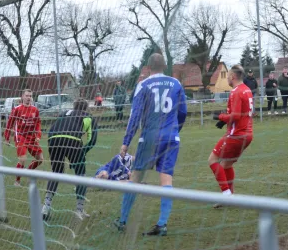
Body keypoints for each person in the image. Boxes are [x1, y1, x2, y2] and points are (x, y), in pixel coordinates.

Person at [115, 53, 187, 236]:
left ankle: (122, 220)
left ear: (147, 68)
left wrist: (126, 142)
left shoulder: (143, 85)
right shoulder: (176, 83)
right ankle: (162, 224)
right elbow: (183, 112)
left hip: (149, 139)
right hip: (171, 138)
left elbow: (135, 116)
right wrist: (175, 130)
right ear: (165, 66)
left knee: (135, 178)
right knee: (166, 180)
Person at [42, 99, 98, 221]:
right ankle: (79, 210)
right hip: (72, 140)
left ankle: (46, 207)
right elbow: (92, 140)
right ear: (86, 108)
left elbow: (55, 127)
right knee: (80, 175)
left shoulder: (64, 113)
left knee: (56, 173)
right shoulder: (88, 117)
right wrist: (81, 153)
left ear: (74, 106)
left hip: (53, 138)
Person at [209, 64, 253, 208]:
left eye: (227, 76)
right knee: (226, 164)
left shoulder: (235, 91)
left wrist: (220, 117)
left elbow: (235, 116)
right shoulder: (247, 90)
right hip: (247, 134)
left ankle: (227, 195)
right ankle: (230, 196)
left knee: (212, 160)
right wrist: (224, 121)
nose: (227, 78)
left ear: (233, 77)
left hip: (236, 135)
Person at [4, 89, 43, 187]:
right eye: (26, 95)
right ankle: (17, 181)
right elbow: (9, 124)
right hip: (20, 136)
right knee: (23, 159)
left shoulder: (35, 110)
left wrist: (38, 135)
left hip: (31, 137)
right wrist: (7, 137)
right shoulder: (17, 109)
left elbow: (38, 123)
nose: (28, 98)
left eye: (30, 96)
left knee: (40, 159)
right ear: (22, 97)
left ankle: (28, 172)